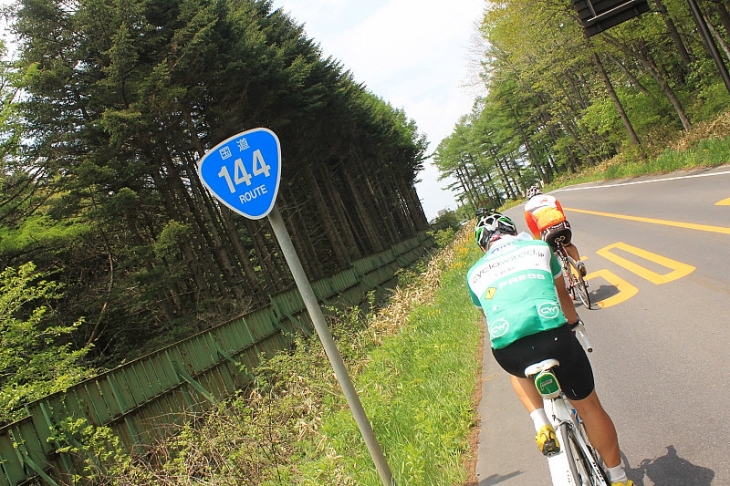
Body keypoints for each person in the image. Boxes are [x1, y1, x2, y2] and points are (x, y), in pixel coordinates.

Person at [466, 213, 634, 486]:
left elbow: (491, 318)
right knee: (590, 408)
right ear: (513, 232)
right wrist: (575, 323)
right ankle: (618, 478)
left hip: (509, 353)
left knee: (518, 368)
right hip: (554, 337)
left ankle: (541, 424)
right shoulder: (539, 248)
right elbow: (563, 297)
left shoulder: (474, 273)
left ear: (484, 247)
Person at [524, 184, 586, 277]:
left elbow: (533, 229)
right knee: (568, 245)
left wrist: (540, 241)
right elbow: (562, 214)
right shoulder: (551, 198)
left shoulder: (527, 208)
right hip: (562, 225)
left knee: (551, 253)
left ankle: (559, 275)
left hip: (548, 231)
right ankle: (578, 262)